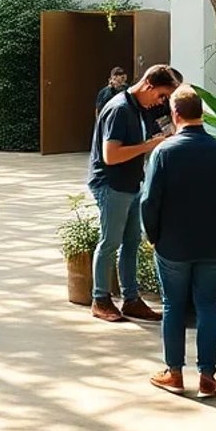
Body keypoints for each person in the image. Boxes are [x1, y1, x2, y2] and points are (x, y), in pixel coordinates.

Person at [142, 85, 216, 400]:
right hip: (214, 243)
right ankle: (207, 375)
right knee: (208, 306)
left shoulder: (164, 153)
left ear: (175, 114)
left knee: (172, 306)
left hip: (173, 244)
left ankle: (174, 372)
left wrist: (153, 235)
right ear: (201, 113)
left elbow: (149, 202)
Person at [86, 63, 180, 323]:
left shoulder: (139, 108)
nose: (160, 102)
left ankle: (131, 299)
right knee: (111, 242)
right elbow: (111, 155)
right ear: (149, 85)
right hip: (111, 183)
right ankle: (100, 298)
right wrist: (150, 145)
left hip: (131, 183)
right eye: (161, 95)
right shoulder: (119, 109)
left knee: (131, 242)